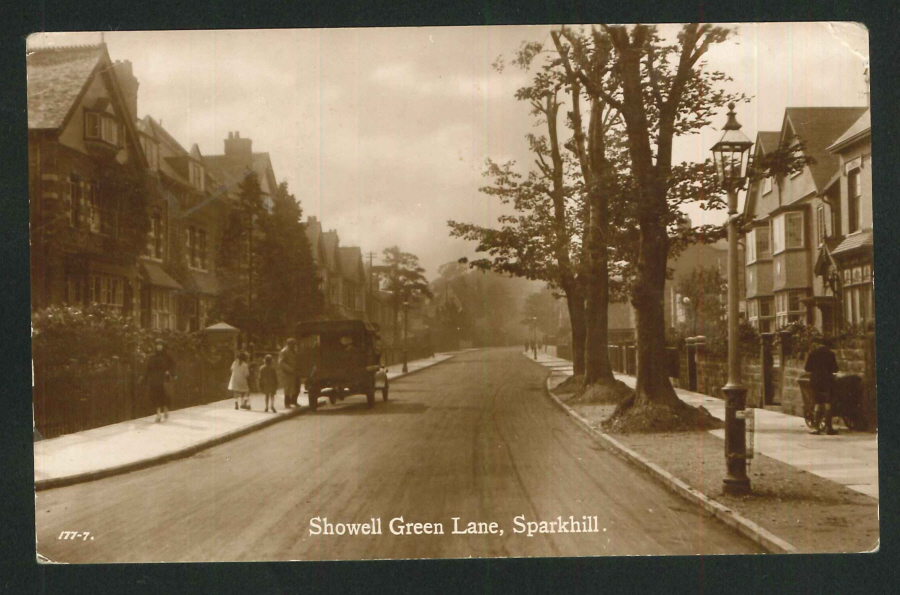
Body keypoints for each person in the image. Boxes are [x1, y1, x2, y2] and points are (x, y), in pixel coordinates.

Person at [805, 337, 839, 435]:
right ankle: (829, 428)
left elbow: (807, 368)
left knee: (818, 403)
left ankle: (816, 427)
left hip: (815, 381)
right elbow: (835, 368)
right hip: (827, 381)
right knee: (827, 403)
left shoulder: (813, 353)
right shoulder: (831, 354)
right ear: (828, 345)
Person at [144, 338, 176, 422]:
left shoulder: (167, 356)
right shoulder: (152, 356)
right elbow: (148, 368)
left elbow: (173, 365)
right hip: (155, 379)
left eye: (160, 345)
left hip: (164, 379)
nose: (159, 347)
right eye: (157, 345)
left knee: (164, 395)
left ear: (163, 346)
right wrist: (146, 378)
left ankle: (165, 409)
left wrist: (169, 372)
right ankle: (158, 415)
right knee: (155, 396)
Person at [278, 338, 300, 408]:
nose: (294, 346)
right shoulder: (284, 351)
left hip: (295, 372)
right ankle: (287, 403)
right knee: (287, 389)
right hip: (287, 373)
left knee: (296, 387)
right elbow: (281, 363)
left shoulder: (294, 351)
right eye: (293, 344)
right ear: (289, 344)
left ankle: (294, 401)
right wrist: (290, 369)